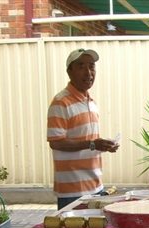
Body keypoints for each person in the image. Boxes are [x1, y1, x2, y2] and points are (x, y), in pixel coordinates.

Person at [47, 48, 120, 210]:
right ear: (69, 72)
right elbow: (56, 142)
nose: (88, 72)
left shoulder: (91, 101)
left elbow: (88, 140)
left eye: (91, 66)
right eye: (81, 66)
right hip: (72, 190)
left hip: (95, 185)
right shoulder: (61, 102)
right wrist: (93, 144)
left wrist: (104, 145)